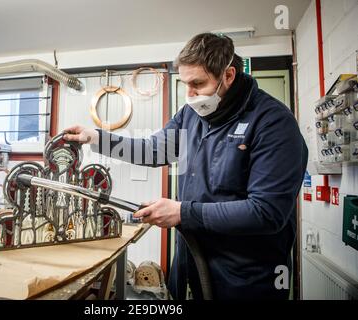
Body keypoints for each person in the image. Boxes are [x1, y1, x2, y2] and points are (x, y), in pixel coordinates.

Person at [64, 33, 308, 300]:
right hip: (191, 262)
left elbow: (266, 212)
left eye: (198, 84)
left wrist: (183, 213)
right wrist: (97, 137)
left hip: (244, 276)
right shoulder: (192, 113)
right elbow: (153, 149)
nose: (189, 95)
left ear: (228, 76)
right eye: (185, 84)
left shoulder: (274, 123)